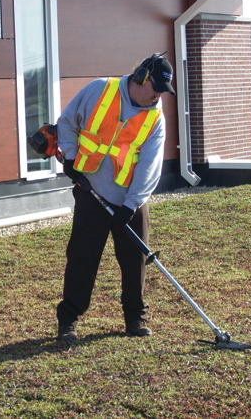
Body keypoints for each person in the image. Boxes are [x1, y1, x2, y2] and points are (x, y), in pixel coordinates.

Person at [55, 53, 175, 344]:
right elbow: (67, 122)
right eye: (155, 86)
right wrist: (70, 157)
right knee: (81, 258)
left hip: (130, 202)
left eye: (163, 90)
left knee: (135, 260)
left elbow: (150, 165)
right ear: (141, 77)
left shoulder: (155, 118)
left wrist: (131, 204)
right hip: (90, 192)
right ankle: (68, 320)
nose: (158, 94)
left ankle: (135, 317)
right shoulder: (99, 90)